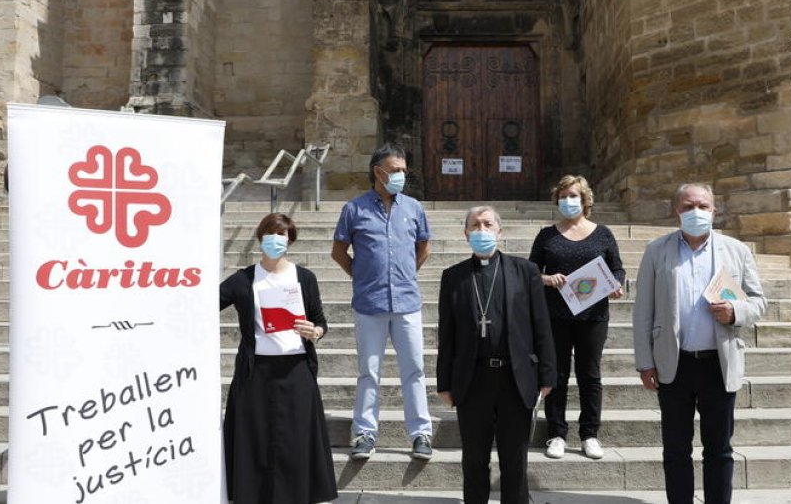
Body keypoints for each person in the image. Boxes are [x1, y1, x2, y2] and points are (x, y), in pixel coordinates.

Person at [631, 183, 767, 504]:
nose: (697, 212)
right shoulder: (657, 251)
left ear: (714, 211)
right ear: (677, 210)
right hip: (673, 363)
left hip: (718, 364)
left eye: (703, 206)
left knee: (719, 448)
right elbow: (643, 311)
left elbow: (759, 302)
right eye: (689, 206)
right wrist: (644, 361)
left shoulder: (736, 250)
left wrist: (735, 311)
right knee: (676, 448)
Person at [437, 205, 555, 504]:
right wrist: (444, 383)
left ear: (499, 231)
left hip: (515, 377)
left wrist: (547, 374)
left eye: (487, 224)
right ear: (466, 234)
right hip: (472, 378)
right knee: (474, 458)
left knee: (514, 458)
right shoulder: (453, 276)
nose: (481, 230)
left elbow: (541, 324)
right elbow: (447, 333)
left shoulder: (525, 271)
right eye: (474, 225)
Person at [218, 213, 338, 504]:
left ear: (291, 241)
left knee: (294, 441)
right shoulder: (244, 279)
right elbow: (206, 302)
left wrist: (315, 331)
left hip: (295, 369)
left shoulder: (304, 278)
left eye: (282, 235)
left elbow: (320, 320)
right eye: (270, 234)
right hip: (255, 371)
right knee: (254, 439)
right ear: (260, 239)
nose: (275, 240)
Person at [330, 143, 434, 460]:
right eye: (396, 170)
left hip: (406, 304)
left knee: (414, 370)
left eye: (404, 170)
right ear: (378, 172)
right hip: (368, 305)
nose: (401, 175)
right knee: (369, 372)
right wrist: (361, 276)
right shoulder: (354, 209)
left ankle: (421, 434)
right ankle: (364, 433)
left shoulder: (414, 208)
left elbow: (424, 247)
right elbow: (338, 252)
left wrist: (404, 275)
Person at [528, 175, 625, 459]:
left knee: (590, 374)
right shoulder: (547, 235)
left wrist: (617, 284)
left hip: (593, 316)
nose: (568, 201)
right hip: (555, 315)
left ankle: (589, 434)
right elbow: (531, 270)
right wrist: (546, 279)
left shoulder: (603, 234)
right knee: (556, 374)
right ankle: (556, 434)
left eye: (574, 196)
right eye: (563, 196)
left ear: (585, 200)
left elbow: (617, 269)